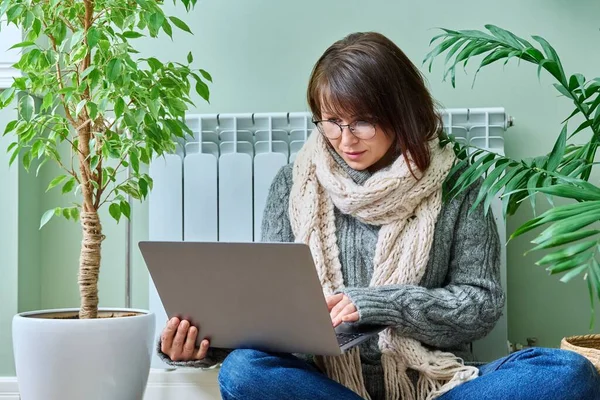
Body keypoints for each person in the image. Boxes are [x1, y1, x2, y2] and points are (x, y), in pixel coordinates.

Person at [157, 32, 600, 400]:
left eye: (362, 121)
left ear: (401, 112)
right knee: (243, 372)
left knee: (566, 372)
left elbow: (480, 306)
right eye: (330, 121)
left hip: (436, 385)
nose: (343, 138)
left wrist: (378, 304)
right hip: (325, 386)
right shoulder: (291, 184)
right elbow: (270, 312)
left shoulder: (460, 183)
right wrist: (202, 346)